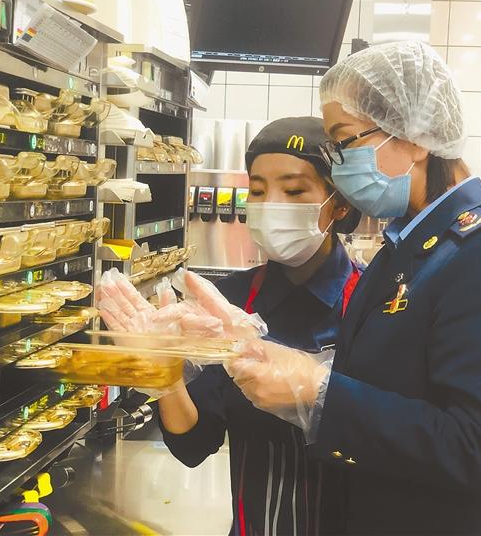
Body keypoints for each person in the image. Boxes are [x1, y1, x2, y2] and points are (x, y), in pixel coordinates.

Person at [220, 41, 481, 535]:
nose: (338, 163)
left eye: (345, 141)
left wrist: (317, 392)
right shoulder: (407, 247)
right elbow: (386, 381)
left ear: (416, 138)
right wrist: (276, 362)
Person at [99, 117, 363, 536]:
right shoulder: (228, 303)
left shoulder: (374, 302)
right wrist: (165, 378)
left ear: (341, 203)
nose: (271, 205)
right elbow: (193, 443)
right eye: (257, 190)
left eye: (294, 191)